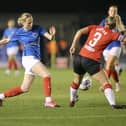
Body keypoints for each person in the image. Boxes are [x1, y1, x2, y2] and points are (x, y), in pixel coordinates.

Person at [0, 12, 59, 108]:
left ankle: (1, 96)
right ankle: (48, 101)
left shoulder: (38, 28)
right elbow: (6, 40)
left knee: (24, 88)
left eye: (31, 22)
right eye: (28, 23)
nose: (31, 24)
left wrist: (52, 35)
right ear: (23, 23)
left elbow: (49, 37)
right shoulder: (19, 32)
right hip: (28, 59)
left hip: (34, 59)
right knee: (46, 75)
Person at [69, 16, 126, 109]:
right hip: (90, 61)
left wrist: (73, 45)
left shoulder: (95, 27)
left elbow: (79, 31)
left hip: (79, 58)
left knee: (76, 81)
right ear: (114, 26)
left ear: (105, 22)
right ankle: (113, 105)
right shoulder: (113, 34)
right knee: (106, 83)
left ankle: (72, 100)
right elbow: (124, 40)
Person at [100, 5, 126, 92]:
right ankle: (117, 83)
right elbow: (99, 33)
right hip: (106, 47)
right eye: (111, 11)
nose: (113, 12)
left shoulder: (118, 22)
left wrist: (124, 47)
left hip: (116, 46)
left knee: (108, 65)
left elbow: (123, 38)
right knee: (111, 68)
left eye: (115, 11)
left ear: (116, 12)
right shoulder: (104, 22)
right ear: (108, 12)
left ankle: (105, 85)